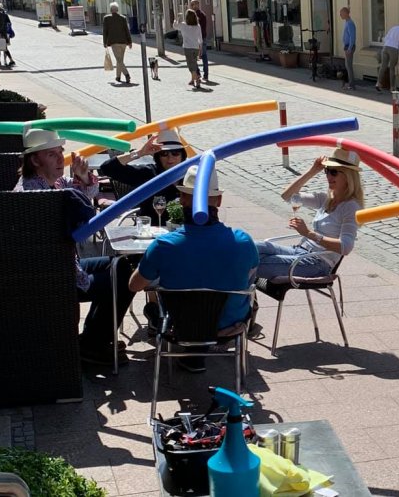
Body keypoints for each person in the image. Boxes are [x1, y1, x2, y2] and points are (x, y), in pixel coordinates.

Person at [13, 129, 135, 365]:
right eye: (52, 154)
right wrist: (85, 280)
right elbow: (50, 254)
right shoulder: (32, 197)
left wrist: (84, 176)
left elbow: (85, 194)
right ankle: (93, 345)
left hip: (65, 266)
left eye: (60, 151)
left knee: (121, 267)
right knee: (124, 281)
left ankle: (92, 338)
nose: (61, 159)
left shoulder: (51, 182)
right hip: (52, 278)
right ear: (35, 159)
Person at [129, 165, 258, 373]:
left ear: (181, 200)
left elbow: (134, 285)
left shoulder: (164, 245)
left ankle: (190, 356)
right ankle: (195, 358)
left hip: (181, 325)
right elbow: (252, 274)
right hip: (230, 325)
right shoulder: (243, 241)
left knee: (152, 307)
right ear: (219, 201)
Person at [253, 148, 363, 280]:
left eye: (333, 172)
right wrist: (312, 171)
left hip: (317, 263)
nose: (328, 176)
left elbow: (346, 247)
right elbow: (288, 196)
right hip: (300, 251)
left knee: (249, 263)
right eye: (327, 170)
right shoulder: (326, 198)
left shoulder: (351, 207)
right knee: (252, 247)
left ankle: (236, 297)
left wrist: (308, 233)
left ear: (348, 176)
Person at [98, 129, 187, 226]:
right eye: (164, 154)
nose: (170, 158)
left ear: (182, 155)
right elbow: (107, 168)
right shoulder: (148, 173)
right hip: (152, 232)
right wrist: (140, 152)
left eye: (175, 153)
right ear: (158, 156)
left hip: (184, 232)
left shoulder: (191, 175)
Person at [376, 17, 399, 92]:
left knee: (383, 66)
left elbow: (386, 37)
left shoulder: (393, 28)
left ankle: (378, 83)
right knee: (392, 68)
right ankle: (392, 87)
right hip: (394, 49)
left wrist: (384, 46)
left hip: (385, 47)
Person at [102, 2, 132, 84]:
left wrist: (105, 42)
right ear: (117, 10)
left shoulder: (106, 18)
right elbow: (127, 30)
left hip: (114, 42)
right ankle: (118, 77)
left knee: (119, 60)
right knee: (120, 60)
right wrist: (130, 42)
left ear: (111, 10)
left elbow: (105, 31)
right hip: (123, 42)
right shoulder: (123, 18)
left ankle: (126, 74)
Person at [175, 9, 204, 89]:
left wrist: (177, 18)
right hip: (195, 48)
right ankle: (192, 79)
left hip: (188, 48)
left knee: (190, 65)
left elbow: (175, 26)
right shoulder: (198, 26)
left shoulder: (183, 25)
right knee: (194, 63)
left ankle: (197, 78)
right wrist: (200, 49)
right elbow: (200, 39)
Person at [189, 0, 209, 82]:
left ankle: (203, 74)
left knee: (200, 56)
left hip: (199, 39)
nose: (193, 6)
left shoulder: (199, 15)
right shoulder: (198, 14)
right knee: (199, 57)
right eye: (192, 5)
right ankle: (201, 74)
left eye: (194, 4)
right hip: (198, 38)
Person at [0, 1, 15, 66]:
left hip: (0, 33)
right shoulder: (2, 13)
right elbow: (8, 22)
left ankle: (8, 60)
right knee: (1, 47)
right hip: (3, 33)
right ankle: (1, 60)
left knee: (1, 47)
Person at [340, 7, 356, 91]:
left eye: (341, 13)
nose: (340, 15)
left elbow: (352, 37)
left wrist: (349, 48)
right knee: (347, 65)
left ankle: (351, 84)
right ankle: (350, 83)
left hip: (349, 46)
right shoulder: (346, 22)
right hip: (347, 46)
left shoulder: (350, 23)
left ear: (346, 13)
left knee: (349, 66)